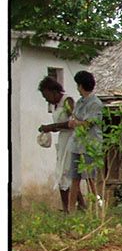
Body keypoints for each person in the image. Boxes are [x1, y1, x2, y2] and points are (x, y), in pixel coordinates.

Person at [37, 76, 77, 212]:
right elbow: (60, 126)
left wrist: (52, 126)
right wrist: (48, 128)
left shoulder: (67, 101)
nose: (46, 99)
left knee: (65, 173)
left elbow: (73, 123)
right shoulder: (55, 105)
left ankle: (68, 209)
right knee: (63, 173)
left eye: (46, 95)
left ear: (53, 91)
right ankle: (75, 207)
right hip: (63, 140)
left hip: (72, 140)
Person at [66, 70, 104, 210]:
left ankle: (98, 207)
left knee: (90, 178)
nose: (77, 88)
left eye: (78, 85)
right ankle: (71, 210)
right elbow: (75, 119)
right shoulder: (79, 102)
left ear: (81, 86)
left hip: (90, 144)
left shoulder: (95, 103)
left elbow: (88, 123)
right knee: (74, 177)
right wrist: (75, 122)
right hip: (77, 144)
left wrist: (76, 123)